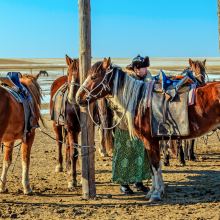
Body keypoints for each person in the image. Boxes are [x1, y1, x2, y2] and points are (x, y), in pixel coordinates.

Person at [112, 55, 152, 195]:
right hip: (124, 124)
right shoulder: (125, 80)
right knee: (125, 154)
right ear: (136, 69)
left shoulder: (145, 79)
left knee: (140, 154)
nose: (146, 69)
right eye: (143, 67)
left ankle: (138, 181)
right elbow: (118, 101)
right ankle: (124, 184)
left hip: (141, 125)